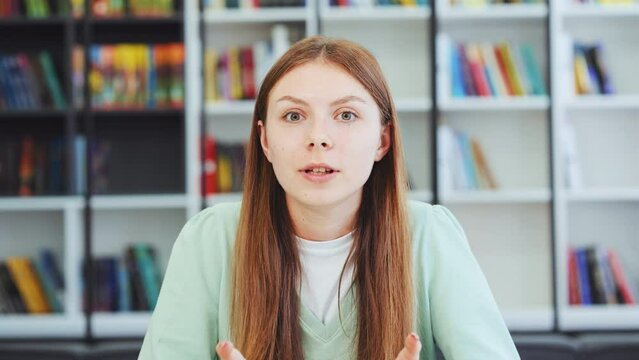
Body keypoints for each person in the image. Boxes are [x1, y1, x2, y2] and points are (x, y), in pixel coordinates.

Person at [138, 36, 520, 360]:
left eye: (346, 115)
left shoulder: (429, 235)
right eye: (293, 116)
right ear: (265, 140)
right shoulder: (208, 239)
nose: (318, 137)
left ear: (382, 141)